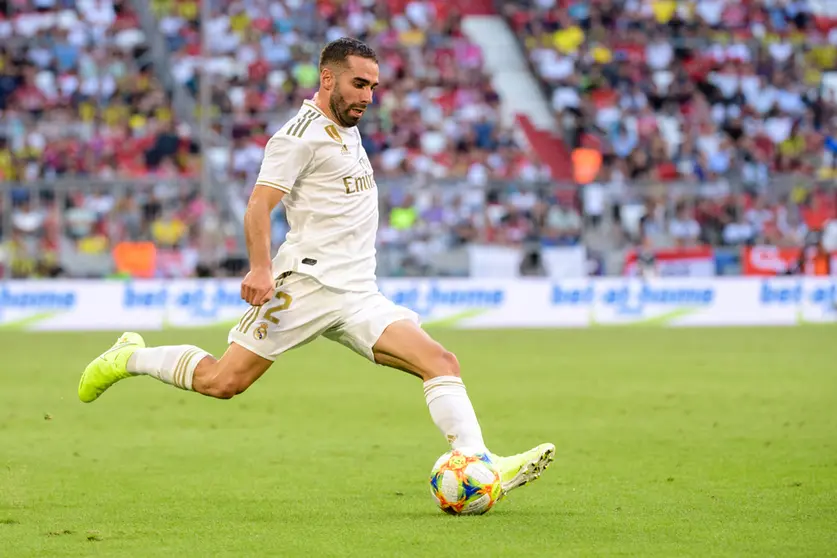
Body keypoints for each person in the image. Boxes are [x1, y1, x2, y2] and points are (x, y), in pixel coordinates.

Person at [77, 38, 554, 500]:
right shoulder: (297, 137)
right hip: (306, 284)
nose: (368, 96)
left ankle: (480, 460)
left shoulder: (347, 126)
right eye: (359, 84)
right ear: (327, 79)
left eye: (372, 86)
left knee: (440, 362)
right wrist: (261, 269)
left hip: (356, 292)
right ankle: (130, 356)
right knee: (223, 382)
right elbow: (258, 207)